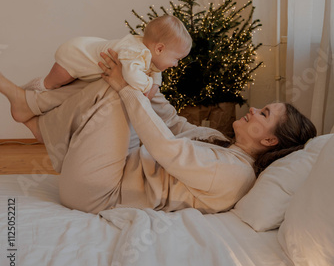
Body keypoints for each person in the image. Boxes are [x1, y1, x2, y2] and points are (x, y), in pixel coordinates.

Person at [0, 51, 316, 215]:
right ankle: (31, 113)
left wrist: (128, 86)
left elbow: (166, 147)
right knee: (119, 76)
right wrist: (148, 73)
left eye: (263, 114)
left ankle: (31, 111)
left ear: (270, 139)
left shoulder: (234, 174)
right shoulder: (221, 143)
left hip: (98, 193)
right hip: (119, 166)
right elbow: (173, 123)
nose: (253, 109)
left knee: (117, 90)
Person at [22, 15, 192, 101]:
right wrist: (150, 83)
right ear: (160, 49)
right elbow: (135, 80)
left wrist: (156, 76)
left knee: (65, 88)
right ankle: (25, 90)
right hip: (75, 55)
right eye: (176, 59)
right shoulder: (135, 53)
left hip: (86, 51)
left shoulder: (146, 52)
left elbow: (154, 72)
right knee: (51, 84)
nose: (176, 64)